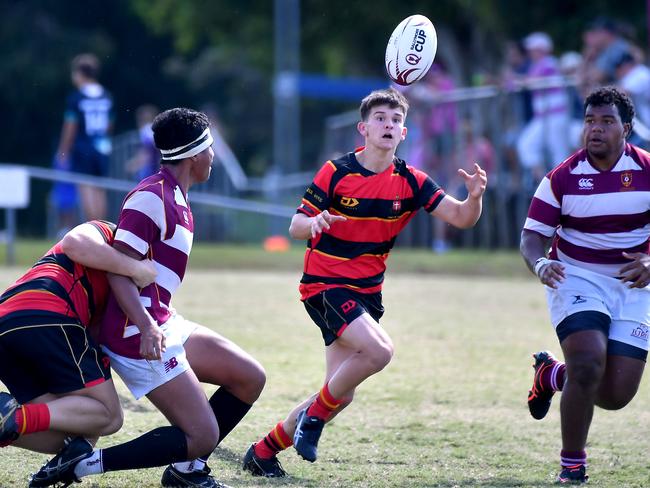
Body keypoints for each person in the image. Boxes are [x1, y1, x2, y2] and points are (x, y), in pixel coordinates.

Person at [242, 88, 487, 477]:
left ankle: (264, 451)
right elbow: (295, 225)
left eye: (396, 120)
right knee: (380, 352)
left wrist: (474, 197)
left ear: (403, 133)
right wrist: (315, 222)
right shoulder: (336, 172)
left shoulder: (411, 180)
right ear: (363, 128)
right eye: (381, 118)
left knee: (342, 393)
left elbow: (460, 218)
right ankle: (315, 420)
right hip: (325, 285)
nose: (388, 124)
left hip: (367, 293)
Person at [30, 107, 266, 488]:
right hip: (133, 333)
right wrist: (146, 326)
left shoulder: (177, 196)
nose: (214, 159)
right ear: (194, 155)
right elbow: (118, 270)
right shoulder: (150, 197)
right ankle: (82, 465)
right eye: (211, 150)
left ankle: (188, 472)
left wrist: (158, 319)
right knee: (201, 435)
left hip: (161, 319)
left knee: (249, 378)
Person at [521, 86, 650, 484]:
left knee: (615, 395)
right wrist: (541, 263)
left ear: (626, 128)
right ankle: (572, 465)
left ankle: (552, 376)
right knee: (589, 361)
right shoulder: (562, 177)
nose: (596, 129)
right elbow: (530, 237)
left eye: (607, 121)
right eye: (590, 121)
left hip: (634, 287)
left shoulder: (647, 169)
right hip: (577, 276)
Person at [0, 221, 157, 453]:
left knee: (71, 434)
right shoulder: (108, 231)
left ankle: (14, 421)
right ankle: (18, 417)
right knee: (109, 415)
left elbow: (97, 334)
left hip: (7, 322)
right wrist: (136, 269)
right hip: (48, 311)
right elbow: (74, 243)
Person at [55, 53, 113, 222]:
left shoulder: (77, 97)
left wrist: (63, 151)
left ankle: (93, 228)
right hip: (102, 147)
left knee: (86, 187)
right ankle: (104, 228)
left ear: (80, 73)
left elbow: (70, 127)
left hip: (83, 147)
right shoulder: (106, 96)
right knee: (100, 190)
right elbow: (109, 125)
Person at [516, 32, 571, 186]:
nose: (530, 52)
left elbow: (531, 81)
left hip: (556, 116)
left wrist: (514, 80)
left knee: (559, 154)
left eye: (533, 49)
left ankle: (564, 188)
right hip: (543, 117)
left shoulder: (549, 63)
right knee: (526, 145)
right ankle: (548, 184)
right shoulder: (537, 65)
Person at [125, 104, 160, 180]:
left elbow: (147, 151)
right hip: (154, 168)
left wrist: (135, 163)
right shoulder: (154, 130)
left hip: (148, 169)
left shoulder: (146, 131)